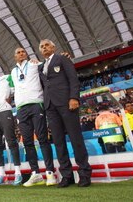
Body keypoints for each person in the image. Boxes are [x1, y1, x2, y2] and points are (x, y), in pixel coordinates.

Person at [38, 39, 92, 187]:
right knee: (59, 142)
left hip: (66, 103)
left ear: (53, 47)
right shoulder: (41, 66)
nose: (44, 48)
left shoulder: (62, 58)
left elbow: (73, 78)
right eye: (42, 47)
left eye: (47, 45)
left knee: (76, 139)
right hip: (50, 107)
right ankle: (67, 175)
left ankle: (84, 173)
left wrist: (74, 97)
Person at [9, 48, 56, 187]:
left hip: (36, 104)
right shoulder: (13, 72)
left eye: (23, 51)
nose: (21, 54)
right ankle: (35, 173)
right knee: (27, 142)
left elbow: (49, 67)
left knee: (42, 139)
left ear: (27, 54)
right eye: (18, 52)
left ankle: (49, 173)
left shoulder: (35, 64)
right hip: (21, 108)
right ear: (14, 57)